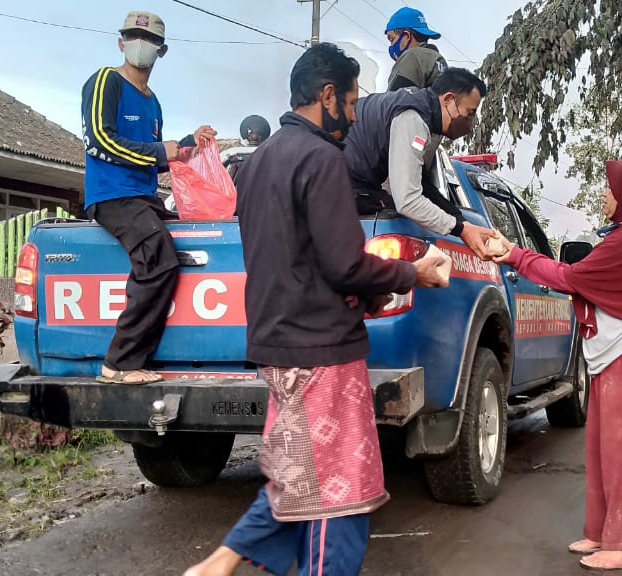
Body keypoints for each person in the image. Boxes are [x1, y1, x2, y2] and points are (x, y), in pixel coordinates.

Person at [183, 43, 448, 576]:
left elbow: (296, 259)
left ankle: (223, 560)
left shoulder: (256, 163)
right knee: (339, 492)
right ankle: (228, 561)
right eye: (349, 104)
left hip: (278, 342)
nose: (353, 118)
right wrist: (410, 273)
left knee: (298, 469)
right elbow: (344, 264)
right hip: (322, 350)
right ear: (326, 96)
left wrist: (366, 291)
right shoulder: (324, 159)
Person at [491, 159, 622, 570]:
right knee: (602, 445)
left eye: (611, 188)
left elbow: (570, 277)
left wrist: (514, 255)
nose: (605, 194)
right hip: (619, 350)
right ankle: (602, 531)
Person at [81, 11, 217, 384]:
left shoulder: (153, 102)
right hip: (112, 196)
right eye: (133, 36)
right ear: (121, 42)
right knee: (158, 256)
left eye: (149, 39)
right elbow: (99, 140)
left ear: (162, 50)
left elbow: (150, 160)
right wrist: (160, 151)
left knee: (197, 241)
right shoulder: (105, 81)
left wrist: (186, 146)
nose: (140, 44)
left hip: (143, 197)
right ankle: (119, 363)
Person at [344, 68, 497, 259]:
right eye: (470, 113)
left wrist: (461, 221)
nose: (470, 123)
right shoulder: (413, 118)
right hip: (343, 189)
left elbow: (422, 185)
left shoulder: (414, 105)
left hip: (342, 182)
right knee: (395, 213)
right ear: (449, 100)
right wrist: (459, 229)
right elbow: (408, 200)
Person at [385, 7, 447, 91]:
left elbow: (395, 98)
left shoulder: (413, 56)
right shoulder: (437, 60)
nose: (391, 45)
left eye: (392, 39)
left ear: (407, 36)